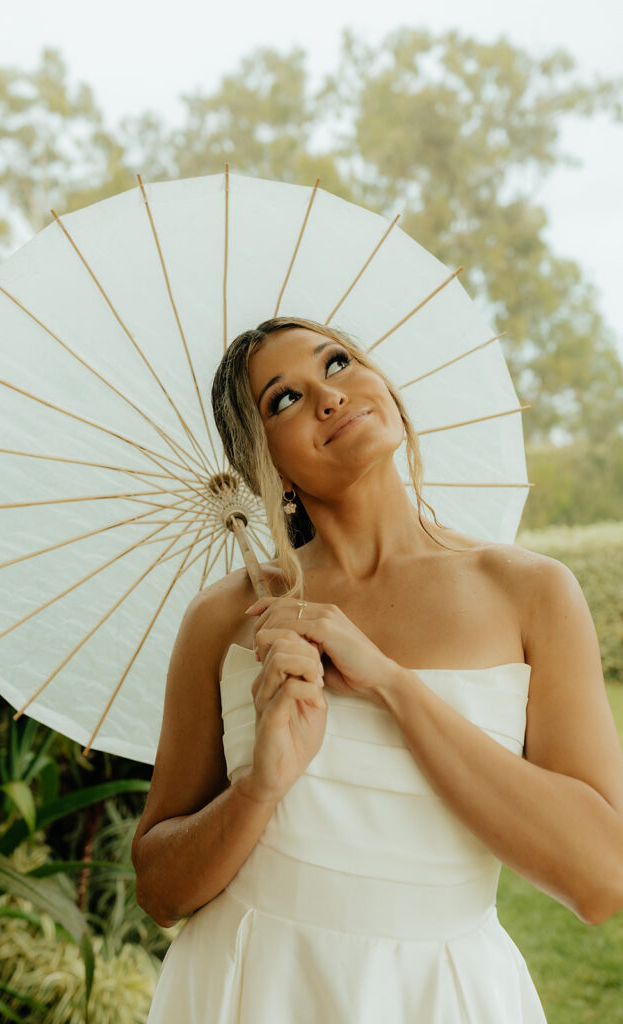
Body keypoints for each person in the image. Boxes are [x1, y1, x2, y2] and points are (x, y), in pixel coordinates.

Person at [133, 316, 623, 1022]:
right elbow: (160, 892)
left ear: (381, 384)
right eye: (283, 399)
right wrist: (258, 789)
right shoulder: (226, 620)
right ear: (263, 464)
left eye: (335, 364)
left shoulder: (529, 591)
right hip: (249, 987)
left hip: (434, 994)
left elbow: (601, 881)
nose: (328, 396)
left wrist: (389, 682)